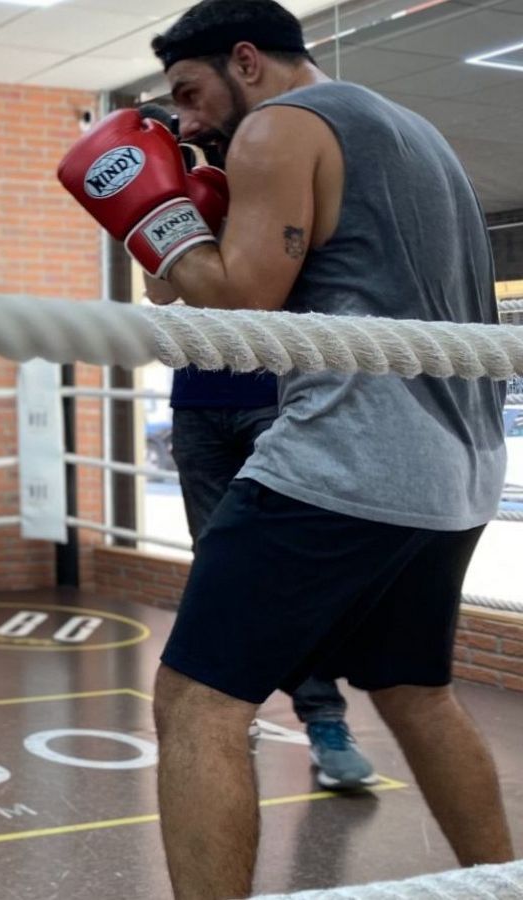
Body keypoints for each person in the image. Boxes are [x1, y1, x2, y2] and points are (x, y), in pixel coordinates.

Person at [60, 2, 511, 896]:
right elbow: (205, 287)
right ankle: (504, 881)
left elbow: (239, 308)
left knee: (196, 702)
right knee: (416, 691)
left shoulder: (280, 127)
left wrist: (149, 214)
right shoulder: (411, 131)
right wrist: (188, 225)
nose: (185, 122)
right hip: (458, 472)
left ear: (247, 61)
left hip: (347, 461)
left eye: (190, 93)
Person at [140, 104, 376, 792]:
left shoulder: (270, 182)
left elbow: (281, 284)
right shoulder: (181, 199)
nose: (187, 137)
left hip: (272, 398)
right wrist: (163, 205)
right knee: (216, 571)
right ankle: (225, 716)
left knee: (279, 575)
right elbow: (160, 293)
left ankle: (325, 721)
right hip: (197, 408)